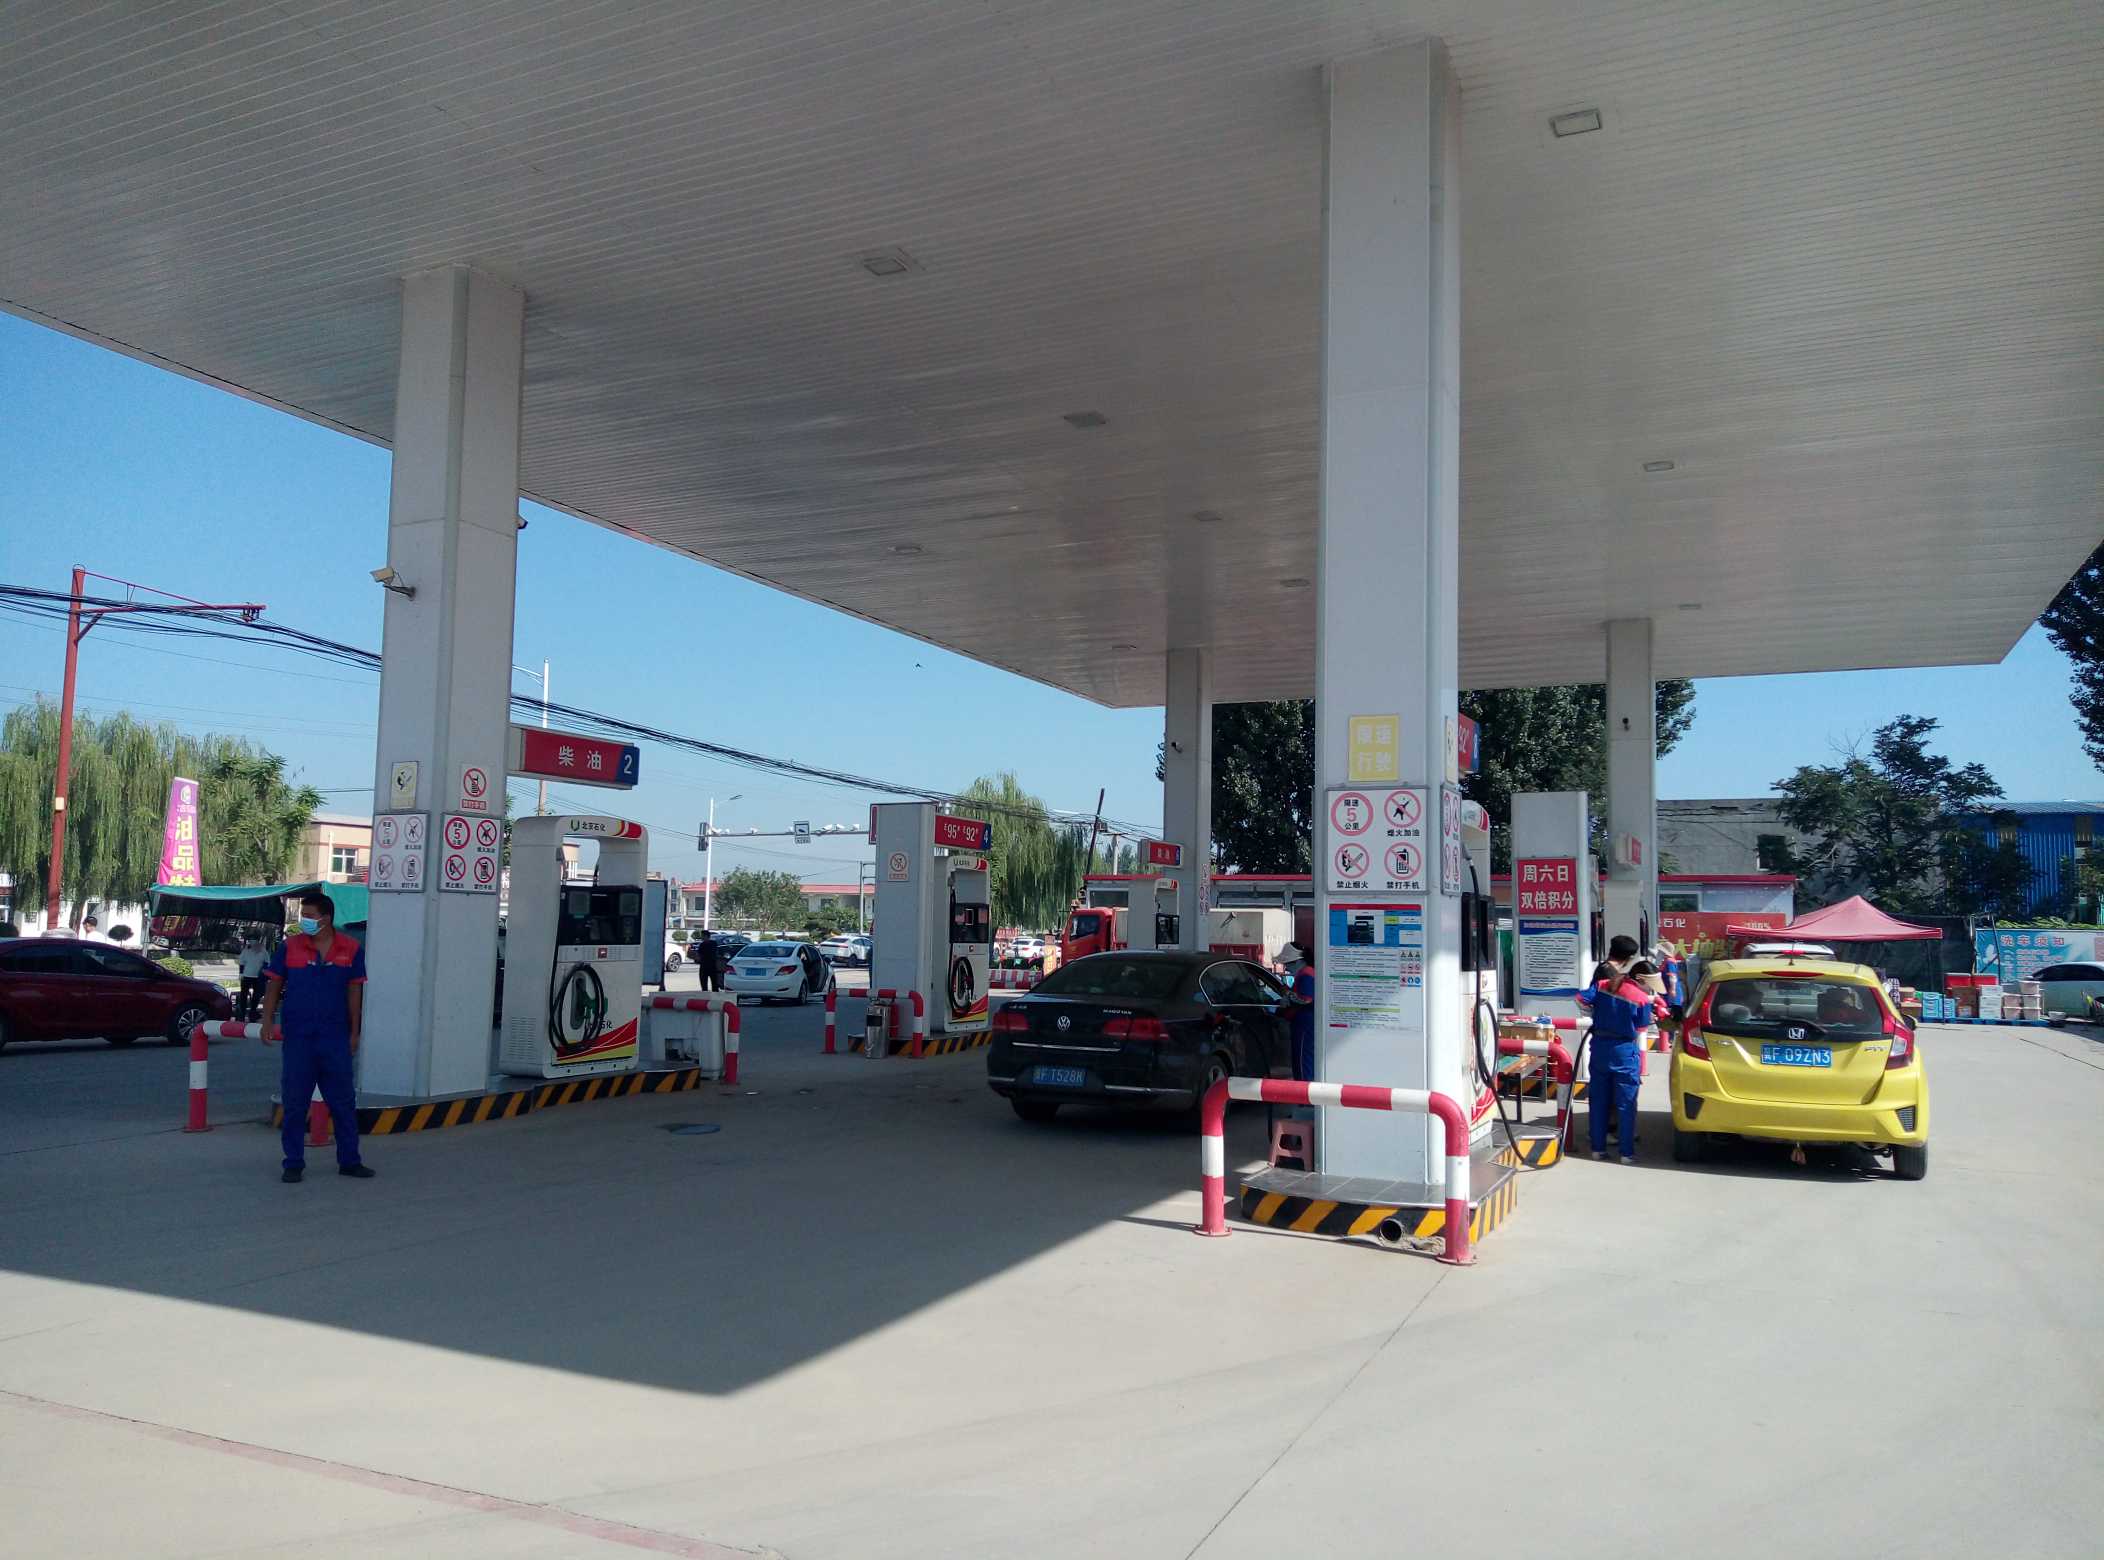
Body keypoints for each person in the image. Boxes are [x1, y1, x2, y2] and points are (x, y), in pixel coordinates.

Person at [256, 892, 372, 1183]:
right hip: (299, 1038)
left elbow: (355, 991)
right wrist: (267, 1021)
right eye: (303, 915)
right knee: (295, 1102)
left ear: (326, 918)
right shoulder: (290, 947)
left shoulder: (351, 949)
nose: (304, 920)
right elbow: (274, 985)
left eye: (309, 916)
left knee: (343, 1102)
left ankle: (350, 1161)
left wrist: (355, 1032)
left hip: (335, 1037)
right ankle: (293, 1163)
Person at [1583, 957, 1668, 1164]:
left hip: (1599, 1048)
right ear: (1641, 979)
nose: (1650, 990)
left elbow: (1580, 998)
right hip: (1624, 1052)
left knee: (1599, 1102)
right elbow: (1641, 1027)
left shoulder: (1603, 984)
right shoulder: (1641, 999)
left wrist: (1596, 1014)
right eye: (1649, 985)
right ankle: (1626, 1154)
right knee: (1626, 1104)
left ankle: (1597, 1150)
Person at [1280, 943, 1317, 1081]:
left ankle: (1303, 1091)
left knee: (1302, 1060)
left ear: (1297, 961)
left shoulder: (1306, 974)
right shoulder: (1307, 973)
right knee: (1303, 1059)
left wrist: (1287, 994)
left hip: (1305, 1023)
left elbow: (1306, 999)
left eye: (1287, 964)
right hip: (1304, 1022)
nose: (1287, 968)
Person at [236, 932, 270, 1023]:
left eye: (254, 940)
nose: (252, 942)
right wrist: (241, 973)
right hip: (246, 975)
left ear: (258, 941)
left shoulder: (263, 951)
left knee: (256, 995)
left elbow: (267, 962)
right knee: (244, 995)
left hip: (258, 976)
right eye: (251, 940)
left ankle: (253, 1012)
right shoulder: (246, 951)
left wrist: (263, 971)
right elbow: (241, 962)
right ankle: (242, 1014)